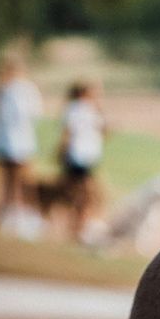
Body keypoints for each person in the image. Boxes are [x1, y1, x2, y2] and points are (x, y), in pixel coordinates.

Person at [0, 58, 43, 231]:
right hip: (1, 140)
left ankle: (25, 215)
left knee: (22, 180)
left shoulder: (26, 90)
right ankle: (4, 214)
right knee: (3, 180)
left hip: (22, 142)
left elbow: (33, 115)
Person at [57, 81, 106, 240]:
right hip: (78, 156)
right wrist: (63, 151)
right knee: (85, 193)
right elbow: (68, 132)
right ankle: (78, 226)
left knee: (83, 193)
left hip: (85, 156)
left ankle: (78, 226)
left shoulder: (85, 109)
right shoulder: (79, 108)